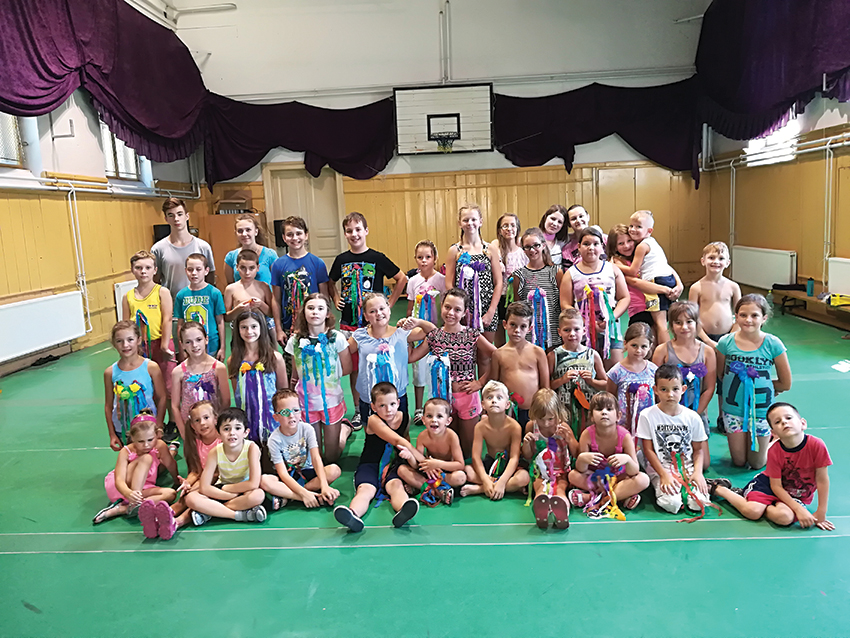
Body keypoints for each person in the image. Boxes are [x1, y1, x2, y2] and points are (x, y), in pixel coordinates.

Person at [329, 212, 407, 429]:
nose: (354, 234)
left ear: (366, 231)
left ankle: (385, 404)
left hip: (374, 324)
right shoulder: (341, 260)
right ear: (345, 234)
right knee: (356, 368)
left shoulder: (377, 258)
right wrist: (335, 297)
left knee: (380, 362)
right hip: (349, 323)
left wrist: (390, 303)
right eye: (349, 231)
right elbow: (330, 280)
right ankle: (358, 408)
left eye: (358, 229)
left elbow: (401, 278)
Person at [707, 402, 834, 531]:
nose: (784, 422)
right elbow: (776, 486)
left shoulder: (816, 445)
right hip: (769, 485)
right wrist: (798, 509)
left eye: (788, 418)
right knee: (753, 512)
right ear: (774, 432)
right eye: (777, 422)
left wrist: (821, 512)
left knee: (784, 517)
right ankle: (719, 488)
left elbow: (822, 480)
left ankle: (756, 502)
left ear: (803, 423)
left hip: (796, 493)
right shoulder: (774, 451)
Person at [409, 289, 495, 455]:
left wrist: (481, 382)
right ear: (441, 306)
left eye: (457, 309)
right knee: (447, 448)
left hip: (467, 397)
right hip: (442, 398)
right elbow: (411, 357)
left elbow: (498, 356)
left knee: (467, 450)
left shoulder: (472, 335)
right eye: (447, 307)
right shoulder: (434, 336)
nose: (451, 313)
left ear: (464, 313)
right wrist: (408, 335)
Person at [333, 383, 424, 532]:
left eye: (392, 404)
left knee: (396, 487)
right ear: (373, 407)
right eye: (382, 405)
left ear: (398, 403)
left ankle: (403, 510)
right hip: (370, 464)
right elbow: (398, 440)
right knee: (365, 490)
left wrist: (410, 459)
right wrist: (424, 461)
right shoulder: (373, 420)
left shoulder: (404, 418)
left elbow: (406, 442)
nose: (388, 410)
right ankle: (352, 515)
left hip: (393, 465)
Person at [716, 294, 792, 469]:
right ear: (736, 316)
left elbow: (786, 383)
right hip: (733, 410)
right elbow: (721, 375)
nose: (748, 320)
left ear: (764, 318)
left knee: (757, 463)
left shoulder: (773, 344)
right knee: (739, 461)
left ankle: (773, 441)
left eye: (754, 315)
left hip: (761, 411)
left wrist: (762, 387)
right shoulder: (725, 343)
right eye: (743, 315)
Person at [92, 411, 184, 540]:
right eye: (140, 441)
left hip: (143, 490)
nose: (146, 445)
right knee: (146, 458)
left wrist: (177, 480)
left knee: (171, 494)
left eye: (150, 440)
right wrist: (129, 493)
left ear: (157, 435)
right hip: (122, 489)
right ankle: (133, 502)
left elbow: (170, 464)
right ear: (132, 438)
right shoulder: (126, 451)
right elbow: (119, 480)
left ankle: (123, 509)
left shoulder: (160, 445)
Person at [349, 292, 435, 428]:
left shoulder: (401, 333)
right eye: (372, 311)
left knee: (400, 431)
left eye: (382, 308)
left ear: (389, 309)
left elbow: (433, 332)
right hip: (369, 398)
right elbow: (343, 351)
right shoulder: (359, 336)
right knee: (371, 433)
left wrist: (418, 322)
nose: (378, 313)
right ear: (366, 316)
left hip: (396, 396)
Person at [285, 293, 353, 462]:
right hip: (306, 403)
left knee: (331, 457)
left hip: (331, 401)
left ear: (327, 313)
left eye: (320, 308)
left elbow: (347, 368)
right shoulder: (295, 341)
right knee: (315, 456)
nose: (315, 312)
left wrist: (326, 379)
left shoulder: (336, 338)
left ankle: (344, 430)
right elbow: (295, 373)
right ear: (304, 312)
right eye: (310, 308)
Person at [637, 364, 709, 515]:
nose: (670, 394)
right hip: (660, 468)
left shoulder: (693, 417)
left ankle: (711, 486)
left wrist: (698, 473)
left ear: (683, 389)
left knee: (699, 503)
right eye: (664, 389)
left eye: (675, 389)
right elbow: (648, 450)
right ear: (655, 390)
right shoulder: (647, 415)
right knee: (672, 504)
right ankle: (664, 489)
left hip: (687, 468)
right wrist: (664, 475)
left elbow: (698, 450)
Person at [651, 302, 716, 464]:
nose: (684, 327)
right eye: (678, 322)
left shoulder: (707, 352)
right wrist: (669, 412)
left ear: (697, 323)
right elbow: (655, 386)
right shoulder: (662, 351)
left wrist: (695, 414)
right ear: (671, 325)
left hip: (696, 412)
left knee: (704, 464)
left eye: (689, 322)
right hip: (668, 412)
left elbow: (709, 388)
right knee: (671, 461)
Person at [184, 407, 267, 526]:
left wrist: (228, 489)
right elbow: (204, 487)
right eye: (226, 429)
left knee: (258, 495)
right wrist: (226, 494)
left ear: (245, 432)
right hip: (223, 490)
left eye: (237, 428)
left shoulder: (252, 448)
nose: (232, 433)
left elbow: (253, 483)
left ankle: (212, 511)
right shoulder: (215, 452)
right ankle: (238, 515)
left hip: (243, 489)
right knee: (191, 498)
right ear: (218, 433)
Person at [560, 227, 630, 369]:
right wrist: (586, 321)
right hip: (583, 332)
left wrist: (611, 317)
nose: (591, 248)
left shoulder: (612, 269)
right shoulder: (571, 273)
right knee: (587, 370)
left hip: (610, 330)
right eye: (586, 244)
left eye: (595, 244)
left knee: (614, 371)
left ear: (602, 247)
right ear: (579, 247)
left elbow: (624, 298)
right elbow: (565, 304)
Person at [260, 389, 341, 510]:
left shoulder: (307, 429)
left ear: (301, 412)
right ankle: (307, 496)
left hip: (309, 472)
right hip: (289, 477)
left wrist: (324, 486)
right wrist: (304, 494)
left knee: (334, 470)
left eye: (295, 410)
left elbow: (316, 458)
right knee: (264, 480)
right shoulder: (274, 439)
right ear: (276, 417)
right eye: (285, 412)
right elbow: (283, 473)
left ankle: (289, 497)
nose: (291, 415)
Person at [568, 391, 649, 511]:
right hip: (596, 479)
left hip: (619, 478)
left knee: (643, 479)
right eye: (599, 409)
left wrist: (627, 460)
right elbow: (581, 470)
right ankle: (620, 497)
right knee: (573, 475)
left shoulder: (625, 436)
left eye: (609, 409)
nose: (604, 412)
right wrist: (582, 458)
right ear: (591, 416)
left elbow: (634, 471)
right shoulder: (587, 434)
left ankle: (595, 498)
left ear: (618, 416)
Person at [607, 224, 681, 344]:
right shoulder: (617, 262)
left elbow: (665, 267)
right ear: (614, 247)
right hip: (640, 308)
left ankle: (666, 354)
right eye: (621, 243)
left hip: (654, 301)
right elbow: (635, 282)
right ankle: (664, 354)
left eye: (629, 241)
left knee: (661, 330)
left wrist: (679, 284)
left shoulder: (641, 254)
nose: (626, 246)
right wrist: (664, 289)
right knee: (647, 341)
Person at [227, 309, 288, 447]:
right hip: (247, 419)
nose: (249, 331)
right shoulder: (233, 361)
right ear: (237, 330)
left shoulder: (275, 358)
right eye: (244, 327)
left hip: (272, 420)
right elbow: (238, 393)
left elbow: (283, 392)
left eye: (254, 326)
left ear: (262, 328)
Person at [103, 321, 167, 450]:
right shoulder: (110, 372)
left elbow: (162, 397)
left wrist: (159, 425)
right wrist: (112, 434)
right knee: (130, 458)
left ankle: (171, 449)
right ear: (114, 343)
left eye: (130, 339)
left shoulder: (151, 367)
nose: (125, 345)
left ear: (138, 340)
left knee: (151, 460)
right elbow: (108, 406)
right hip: (123, 430)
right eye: (119, 341)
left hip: (149, 428)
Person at [461, 381, 529, 499]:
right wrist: (485, 479)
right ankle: (497, 486)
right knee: (468, 471)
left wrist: (502, 481)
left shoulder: (514, 427)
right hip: (491, 463)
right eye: (489, 397)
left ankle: (481, 489)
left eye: (499, 397)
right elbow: (476, 457)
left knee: (523, 478)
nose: (494, 401)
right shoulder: (480, 427)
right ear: (483, 404)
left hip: (509, 465)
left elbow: (514, 458)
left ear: (507, 404)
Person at [445, 203, 502, 342]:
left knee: (486, 352)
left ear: (480, 221)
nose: (470, 223)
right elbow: (449, 283)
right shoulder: (454, 250)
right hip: (463, 311)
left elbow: (498, 282)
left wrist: (491, 312)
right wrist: (459, 310)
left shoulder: (490, 249)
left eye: (473, 219)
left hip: (486, 308)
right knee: (465, 351)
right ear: (459, 223)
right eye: (465, 220)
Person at [522, 388, 578, 530]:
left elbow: (576, 452)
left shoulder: (563, 427)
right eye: (541, 419)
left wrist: (570, 439)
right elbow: (528, 456)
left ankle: (562, 510)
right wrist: (526, 444)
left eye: (550, 419)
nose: (546, 423)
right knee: (540, 487)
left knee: (560, 489)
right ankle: (541, 510)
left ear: (558, 414)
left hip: (561, 471)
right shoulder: (531, 426)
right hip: (539, 471)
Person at [270, 216, 330, 345]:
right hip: (289, 326)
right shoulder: (278, 265)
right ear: (284, 238)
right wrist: (279, 329)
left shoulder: (317, 263)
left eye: (298, 233)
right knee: (292, 357)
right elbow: (276, 299)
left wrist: (327, 324)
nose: (295, 238)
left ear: (306, 235)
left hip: (315, 326)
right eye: (290, 234)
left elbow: (325, 297)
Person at [122, 250, 174, 396]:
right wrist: (131, 347)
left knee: (167, 384)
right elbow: (126, 326)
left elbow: (167, 319)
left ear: (155, 270)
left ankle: (171, 412)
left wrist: (164, 345)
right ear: (132, 270)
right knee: (143, 384)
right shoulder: (127, 297)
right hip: (139, 346)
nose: (143, 271)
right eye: (138, 268)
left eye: (148, 268)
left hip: (160, 342)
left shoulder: (162, 292)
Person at [405, 239, 446, 424]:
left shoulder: (442, 280)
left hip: (437, 331)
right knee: (419, 371)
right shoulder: (413, 281)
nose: (424, 261)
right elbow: (410, 308)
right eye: (420, 257)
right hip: (420, 333)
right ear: (415, 258)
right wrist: (409, 330)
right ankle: (419, 408)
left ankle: (439, 405)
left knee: (438, 369)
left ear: (434, 258)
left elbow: (446, 305)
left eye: (428, 257)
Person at [548, 308, 607, 437]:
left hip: (588, 411)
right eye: (567, 330)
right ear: (559, 332)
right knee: (566, 440)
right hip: (564, 411)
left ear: (584, 331)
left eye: (576, 329)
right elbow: (547, 387)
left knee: (587, 440)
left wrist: (592, 381)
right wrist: (562, 380)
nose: (572, 334)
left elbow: (606, 384)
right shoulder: (554, 355)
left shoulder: (592, 355)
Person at [397, 397, 467, 505]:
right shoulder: (422, 436)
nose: (434, 420)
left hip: (445, 473)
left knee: (461, 477)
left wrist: (437, 464)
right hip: (429, 472)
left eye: (439, 416)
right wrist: (410, 456)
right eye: (429, 416)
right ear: (423, 419)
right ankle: (437, 491)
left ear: (448, 421)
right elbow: (417, 465)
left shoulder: (451, 436)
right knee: (401, 470)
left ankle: (425, 488)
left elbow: (460, 465)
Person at [490, 302, 550, 426]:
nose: (517, 330)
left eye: (523, 326)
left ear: (530, 328)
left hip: (533, 412)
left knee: (531, 438)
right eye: (513, 325)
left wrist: (544, 409)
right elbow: (494, 386)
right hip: (508, 412)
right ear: (505, 324)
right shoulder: (498, 354)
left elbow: (545, 387)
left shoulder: (538, 352)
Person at [170, 321, 230, 440]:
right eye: (188, 342)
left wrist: (218, 424)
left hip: (213, 427)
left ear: (206, 339)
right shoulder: (178, 372)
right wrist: (183, 432)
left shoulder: (218, 368)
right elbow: (175, 406)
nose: (194, 345)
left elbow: (226, 401)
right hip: (191, 426)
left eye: (198, 340)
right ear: (182, 345)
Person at [511, 227, 563, 350]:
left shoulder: (555, 272)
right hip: (530, 334)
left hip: (552, 332)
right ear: (523, 250)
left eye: (536, 245)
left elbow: (562, 302)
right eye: (527, 247)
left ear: (543, 245)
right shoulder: (519, 275)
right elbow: (518, 306)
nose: (532, 250)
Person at [151, 197, 215, 293]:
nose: (176, 219)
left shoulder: (203, 246)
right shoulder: (158, 249)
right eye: (171, 215)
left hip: (199, 300)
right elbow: (155, 280)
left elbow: (210, 278)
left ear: (187, 216)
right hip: (171, 300)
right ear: (166, 219)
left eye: (180, 214)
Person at [174, 400, 221, 530]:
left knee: (194, 497)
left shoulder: (223, 440)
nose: (202, 423)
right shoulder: (196, 442)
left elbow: (218, 474)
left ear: (215, 419)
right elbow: (196, 470)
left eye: (206, 418)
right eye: (197, 420)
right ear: (193, 426)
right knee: (186, 494)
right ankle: (166, 514)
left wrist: (199, 485)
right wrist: (187, 482)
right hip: (203, 479)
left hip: (219, 481)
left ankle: (178, 521)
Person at [606, 322, 657, 437]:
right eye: (634, 345)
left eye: (643, 346)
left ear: (650, 346)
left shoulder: (653, 370)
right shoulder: (616, 372)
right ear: (625, 344)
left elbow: (658, 398)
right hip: (623, 428)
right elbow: (611, 399)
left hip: (648, 425)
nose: (638, 350)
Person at [689, 241, 741, 349]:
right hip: (703, 337)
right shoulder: (696, 288)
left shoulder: (733, 287)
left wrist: (730, 338)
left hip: (729, 336)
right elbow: (692, 318)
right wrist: (707, 341)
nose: (716, 261)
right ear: (703, 261)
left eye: (721, 258)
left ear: (727, 263)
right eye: (711, 258)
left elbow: (740, 316)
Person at [174, 254, 226, 361]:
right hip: (190, 344)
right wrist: (182, 348)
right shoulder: (181, 295)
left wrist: (222, 347)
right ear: (185, 271)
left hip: (211, 343)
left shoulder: (214, 293)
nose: (194, 273)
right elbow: (180, 324)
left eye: (198, 269)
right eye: (190, 269)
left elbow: (220, 322)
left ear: (206, 271)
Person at [490, 213, 528, 347]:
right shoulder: (495, 251)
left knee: (518, 332)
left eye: (512, 225)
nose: (509, 229)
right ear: (500, 230)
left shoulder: (523, 253)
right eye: (505, 226)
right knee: (499, 334)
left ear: (517, 229)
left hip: (517, 298)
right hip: (500, 296)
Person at [224, 213, 278, 285]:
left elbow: (278, 283)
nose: (244, 234)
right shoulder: (230, 257)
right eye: (240, 231)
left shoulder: (270, 255)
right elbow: (230, 285)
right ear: (236, 233)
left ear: (256, 231)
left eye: (248, 230)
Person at [224, 249, 273, 325]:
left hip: (261, 328)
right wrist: (238, 309)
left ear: (257, 268)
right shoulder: (230, 289)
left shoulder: (264, 287)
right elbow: (226, 318)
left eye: (251, 268)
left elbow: (271, 313)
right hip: (239, 328)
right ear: (237, 267)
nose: (247, 272)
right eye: (243, 268)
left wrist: (261, 304)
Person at [560, 204, 607, 270]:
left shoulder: (605, 239)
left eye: (581, 216)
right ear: (569, 224)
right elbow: (568, 273)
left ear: (588, 217)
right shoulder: (567, 249)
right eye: (573, 218)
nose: (578, 220)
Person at [538, 204, 569, 269]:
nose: (555, 224)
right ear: (545, 217)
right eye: (553, 219)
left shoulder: (563, 243)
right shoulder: (532, 240)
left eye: (559, 222)